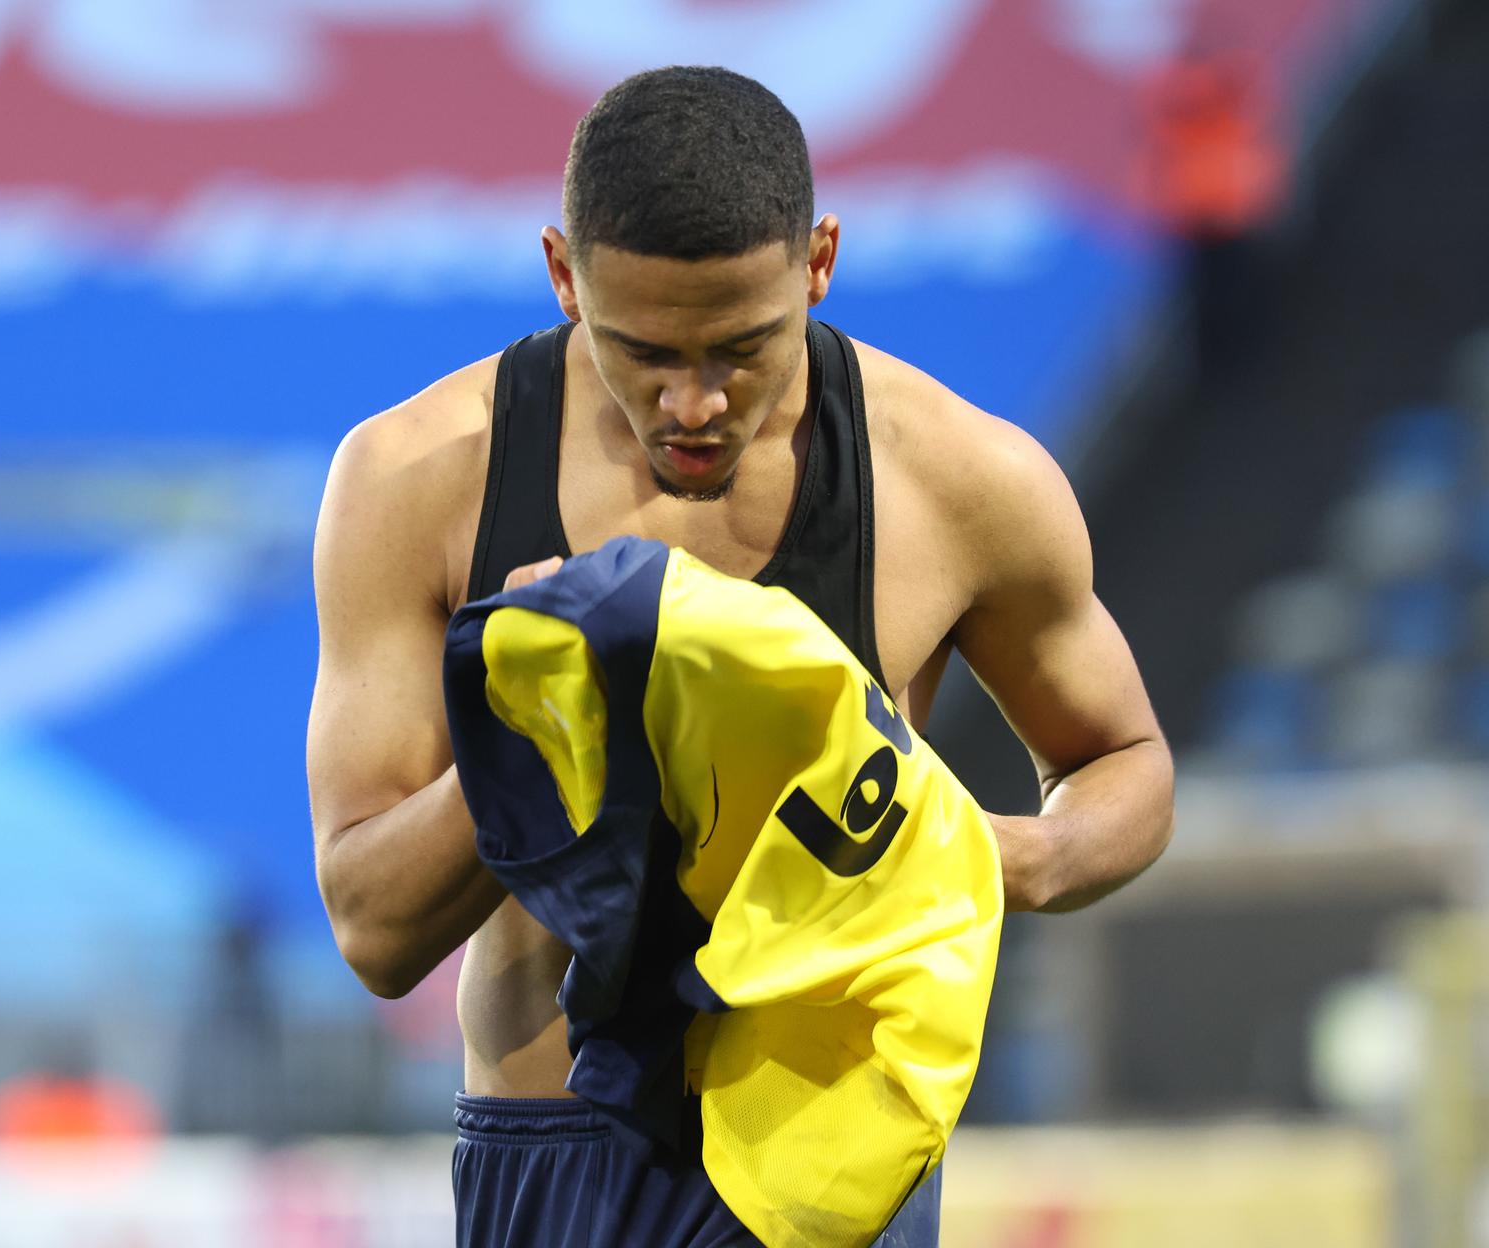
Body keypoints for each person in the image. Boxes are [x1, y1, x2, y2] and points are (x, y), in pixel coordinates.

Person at [307, 65, 1174, 1247]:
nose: (697, 401)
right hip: (562, 1156)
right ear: (564, 275)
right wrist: (545, 720)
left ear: (819, 263)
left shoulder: (961, 481)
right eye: (646, 352)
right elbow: (371, 927)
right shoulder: (418, 481)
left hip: (833, 1162)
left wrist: (987, 857)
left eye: (744, 347)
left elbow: (1123, 761)